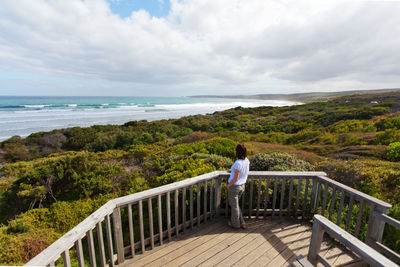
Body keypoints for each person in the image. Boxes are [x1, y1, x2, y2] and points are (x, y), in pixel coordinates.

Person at [227, 143, 250, 229]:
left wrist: (229, 185)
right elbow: (239, 172)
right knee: (236, 205)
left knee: (234, 206)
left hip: (235, 187)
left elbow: (236, 178)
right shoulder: (246, 161)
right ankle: (242, 222)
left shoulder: (238, 163)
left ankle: (235, 224)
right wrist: (232, 170)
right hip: (242, 186)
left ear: (237, 152)